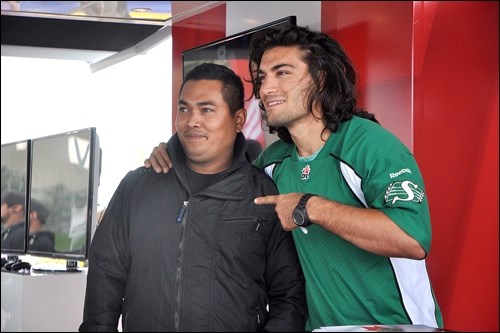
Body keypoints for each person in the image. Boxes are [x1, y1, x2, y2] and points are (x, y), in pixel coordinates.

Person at [144, 25, 444, 330]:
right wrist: (172, 153)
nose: (265, 89)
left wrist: (310, 208)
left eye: (282, 73)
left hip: (394, 327)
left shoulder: (370, 145)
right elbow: (218, 180)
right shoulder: (273, 163)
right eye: (262, 78)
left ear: (321, 78)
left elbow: (412, 238)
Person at [80, 63, 306, 332]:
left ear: (238, 120)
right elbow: (105, 277)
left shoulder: (263, 195)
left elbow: (288, 296)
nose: (192, 121)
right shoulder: (137, 186)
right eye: (184, 109)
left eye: (206, 109)